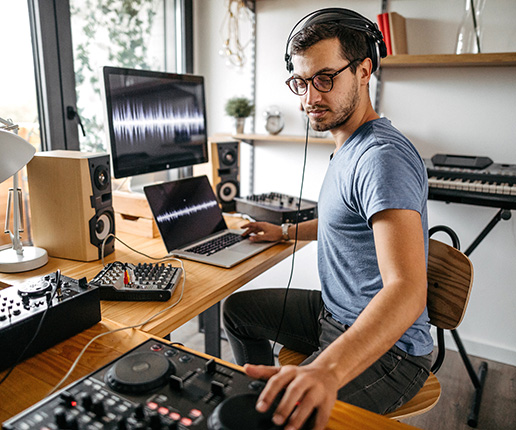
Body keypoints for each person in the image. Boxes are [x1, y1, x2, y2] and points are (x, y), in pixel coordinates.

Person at [223, 8, 433, 430]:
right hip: (333, 314)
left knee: (280, 417)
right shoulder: (349, 145)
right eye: (300, 82)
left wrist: (327, 371)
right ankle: (265, 391)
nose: (309, 98)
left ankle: (276, 407)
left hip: (392, 351)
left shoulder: (381, 158)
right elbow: (344, 222)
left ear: (363, 71)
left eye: (324, 79)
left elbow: (407, 289)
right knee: (237, 310)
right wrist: (283, 232)